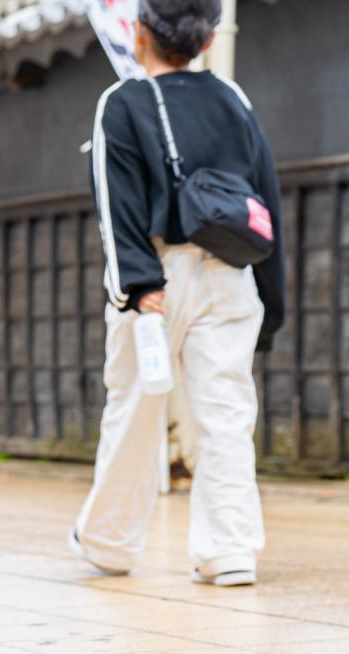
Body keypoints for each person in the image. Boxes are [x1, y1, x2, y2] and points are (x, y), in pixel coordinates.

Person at [73, 0, 284, 587]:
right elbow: (266, 201)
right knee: (226, 413)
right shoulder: (233, 99)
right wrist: (272, 299)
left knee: (135, 410)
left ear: (140, 33)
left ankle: (110, 542)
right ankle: (231, 549)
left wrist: (137, 287)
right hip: (232, 274)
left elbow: (117, 203)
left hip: (159, 280)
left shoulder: (123, 103)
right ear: (208, 37)